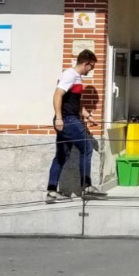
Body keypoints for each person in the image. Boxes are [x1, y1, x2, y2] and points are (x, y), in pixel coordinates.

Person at [46, 49, 106, 201]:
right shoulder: (70, 75)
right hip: (67, 120)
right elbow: (57, 94)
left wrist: (87, 115)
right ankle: (86, 187)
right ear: (86, 63)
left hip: (69, 119)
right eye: (92, 66)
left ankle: (52, 191)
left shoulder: (76, 77)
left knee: (61, 155)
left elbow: (74, 101)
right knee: (86, 148)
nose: (92, 70)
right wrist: (59, 118)